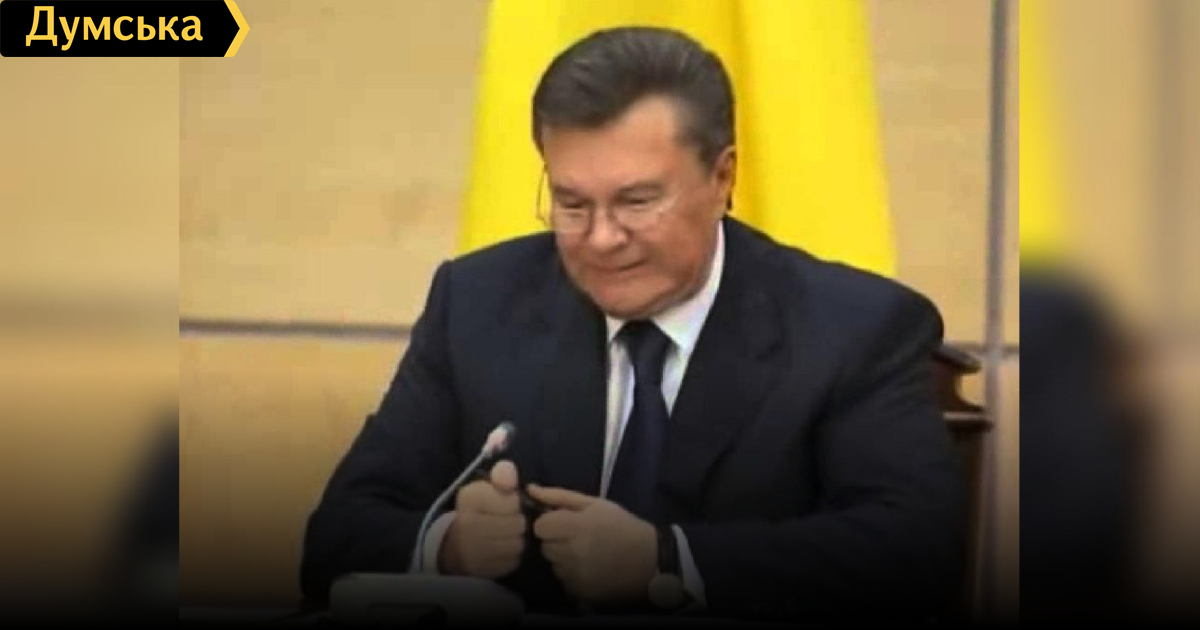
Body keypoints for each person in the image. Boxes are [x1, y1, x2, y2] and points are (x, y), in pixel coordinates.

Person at [301, 26, 965, 622]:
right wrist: (447, 546)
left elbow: (915, 556)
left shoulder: (855, 329)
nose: (601, 238)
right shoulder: (478, 303)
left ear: (723, 177)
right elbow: (338, 534)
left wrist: (666, 560)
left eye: (637, 201)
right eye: (571, 204)